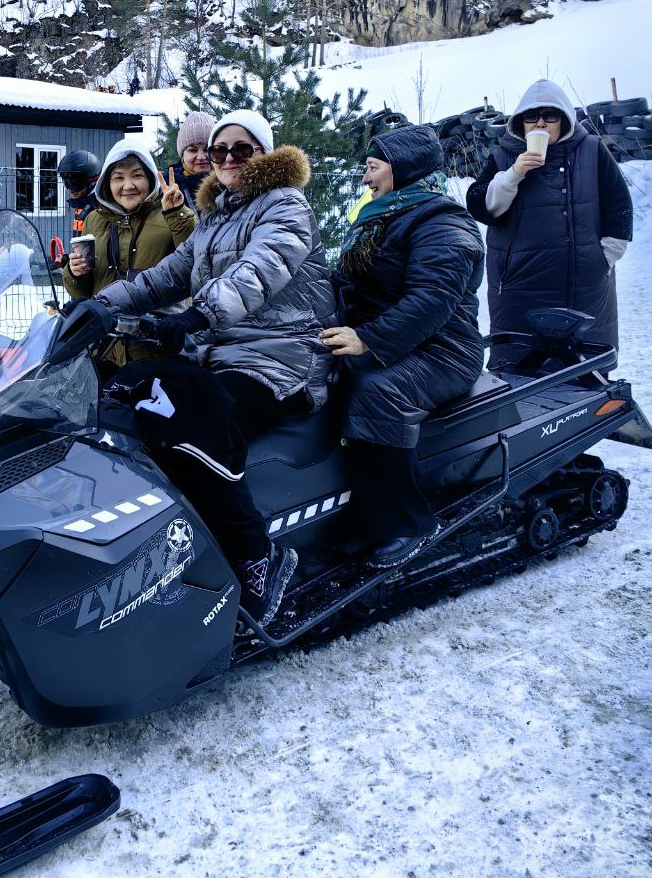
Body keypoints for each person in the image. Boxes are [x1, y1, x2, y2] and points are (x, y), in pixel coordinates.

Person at [92, 110, 336, 627]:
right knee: (124, 387)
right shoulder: (215, 218)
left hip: (281, 359)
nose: (225, 159)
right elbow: (161, 278)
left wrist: (201, 314)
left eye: (240, 150)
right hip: (221, 353)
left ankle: (256, 556)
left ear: (263, 155)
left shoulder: (286, 207)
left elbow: (261, 269)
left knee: (186, 406)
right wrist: (96, 309)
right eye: (219, 150)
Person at [320, 124, 485, 569]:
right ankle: (349, 510)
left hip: (444, 349)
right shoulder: (384, 213)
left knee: (376, 393)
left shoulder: (443, 222)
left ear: (403, 170)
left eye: (373, 168)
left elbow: (432, 300)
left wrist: (368, 339)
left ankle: (406, 523)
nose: (365, 179)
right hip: (394, 339)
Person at [466, 79, 632, 359]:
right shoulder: (505, 155)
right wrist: (513, 174)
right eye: (531, 116)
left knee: (585, 380)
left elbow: (619, 207)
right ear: (521, 122)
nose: (540, 124)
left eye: (550, 115)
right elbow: (480, 207)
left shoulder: (591, 150)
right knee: (520, 378)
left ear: (564, 119)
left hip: (583, 289)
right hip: (521, 290)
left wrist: (602, 259)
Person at [62, 139, 196, 372]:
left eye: (137, 176)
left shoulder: (170, 212)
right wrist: (75, 273)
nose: (128, 185)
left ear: (151, 178)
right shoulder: (94, 219)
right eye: (118, 178)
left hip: (156, 347)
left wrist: (177, 215)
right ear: (106, 183)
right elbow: (83, 292)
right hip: (104, 348)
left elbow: (196, 262)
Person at [167, 110, 213, 206]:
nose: (201, 157)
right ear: (182, 155)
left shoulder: (228, 182)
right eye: (193, 150)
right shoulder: (167, 187)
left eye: (206, 149)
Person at [57, 149, 101, 244]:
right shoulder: (82, 204)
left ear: (92, 181)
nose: (70, 189)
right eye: (66, 182)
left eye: (75, 183)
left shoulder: (98, 209)